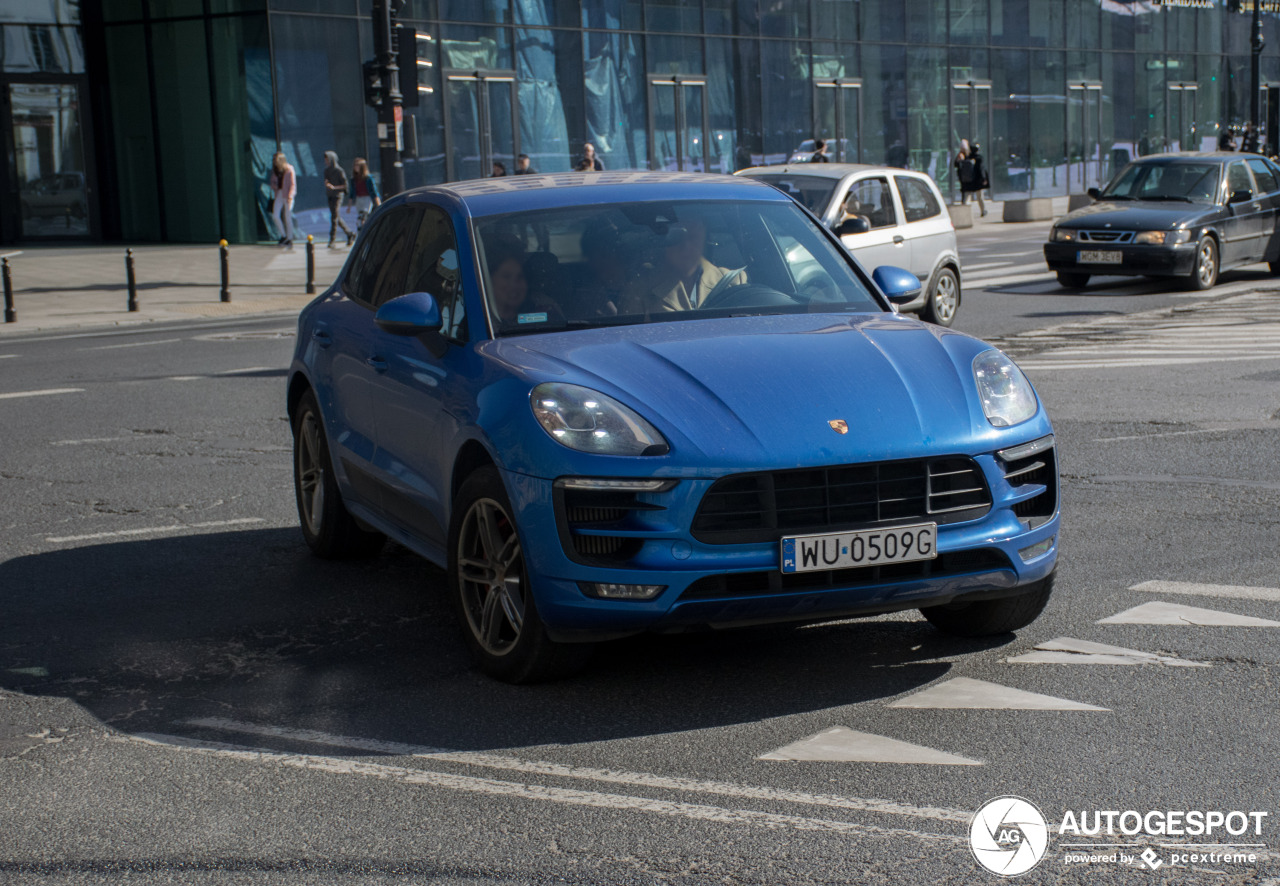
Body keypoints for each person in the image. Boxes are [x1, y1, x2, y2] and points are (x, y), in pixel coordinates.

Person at [620, 215, 747, 314]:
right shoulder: (640, 289)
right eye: (678, 238)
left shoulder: (734, 281)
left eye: (693, 238)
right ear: (664, 242)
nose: (686, 247)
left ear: (704, 239)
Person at [323, 150, 355, 248]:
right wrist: (328, 185)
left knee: (334, 218)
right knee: (336, 217)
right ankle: (349, 233)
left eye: (327, 159)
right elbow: (326, 180)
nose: (326, 162)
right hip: (330, 195)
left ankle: (332, 239)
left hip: (337, 196)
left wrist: (335, 187)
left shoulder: (339, 171)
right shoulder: (327, 171)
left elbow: (345, 185)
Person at [269, 152, 296, 247]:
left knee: (287, 216)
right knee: (275, 215)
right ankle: (283, 235)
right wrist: (273, 185)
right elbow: (272, 182)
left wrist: (290, 196)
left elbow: (293, 185)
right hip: (279, 193)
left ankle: (290, 238)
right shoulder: (275, 171)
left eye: (277, 161)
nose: (275, 163)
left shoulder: (289, 169)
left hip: (287, 194)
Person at [349, 157, 381, 231]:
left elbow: (374, 191)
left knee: (364, 215)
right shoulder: (353, 179)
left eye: (357, 165)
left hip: (367, 199)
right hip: (358, 199)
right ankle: (361, 231)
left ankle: (364, 231)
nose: (355, 167)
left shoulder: (368, 178)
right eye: (355, 165)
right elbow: (352, 192)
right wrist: (349, 205)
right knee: (360, 217)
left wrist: (378, 204)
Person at [964, 141, 989, 216]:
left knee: (968, 196)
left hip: (970, 180)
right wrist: (984, 178)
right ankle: (983, 210)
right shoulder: (979, 158)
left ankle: (964, 210)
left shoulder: (968, 158)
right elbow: (981, 169)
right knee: (980, 197)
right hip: (978, 180)